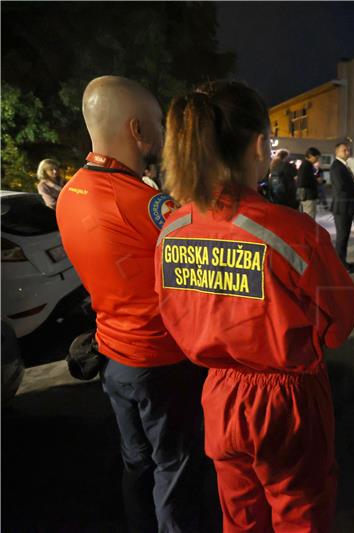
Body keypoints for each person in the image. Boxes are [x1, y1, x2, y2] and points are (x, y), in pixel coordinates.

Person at [156, 80, 354, 532]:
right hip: (288, 401)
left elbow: (171, 313)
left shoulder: (172, 229)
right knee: (300, 513)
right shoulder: (293, 232)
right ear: (260, 144)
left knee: (240, 515)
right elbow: (340, 321)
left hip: (219, 397)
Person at [56, 76, 205, 532]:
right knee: (174, 469)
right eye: (159, 122)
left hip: (113, 357)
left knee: (135, 463)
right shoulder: (145, 203)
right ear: (138, 130)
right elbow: (195, 272)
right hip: (159, 361)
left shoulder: (69, 194)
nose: (163, 132)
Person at [330, 142, 354, 271]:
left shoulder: (343, 166)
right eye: (344, 150)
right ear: (337, 152)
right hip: (342, 206)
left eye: (348, 150)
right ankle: (339, 265)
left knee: (345, 236)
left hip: (346, 205)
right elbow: (341, 186)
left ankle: (342, 262)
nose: (347, 152)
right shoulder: (337, 166)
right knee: (342, 237)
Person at [297, 147, 321, 219]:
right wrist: (316, 181)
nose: (317, 160)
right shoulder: (306, 165)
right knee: (309, 218)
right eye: (316, 157)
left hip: (306, 195)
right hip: (308, 196)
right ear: (310, 155)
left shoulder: (306, 165)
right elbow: (302, 181)